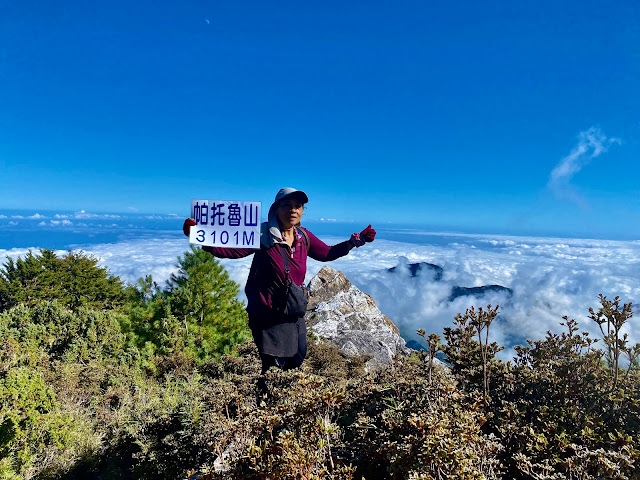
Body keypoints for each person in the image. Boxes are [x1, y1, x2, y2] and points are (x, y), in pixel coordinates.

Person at [182, 187, 376, 376]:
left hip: (293, 311)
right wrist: (199, 235)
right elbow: (230, 250)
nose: (293, 209)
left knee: (297, 359)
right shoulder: (262, 234)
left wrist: (352, 243)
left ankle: (284, 402)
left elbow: (327, 253)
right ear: (276, 209)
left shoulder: (303, 236)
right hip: (268, 315)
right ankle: (264, 404)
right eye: (287, 205)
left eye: (298, 206)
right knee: (274, 369)